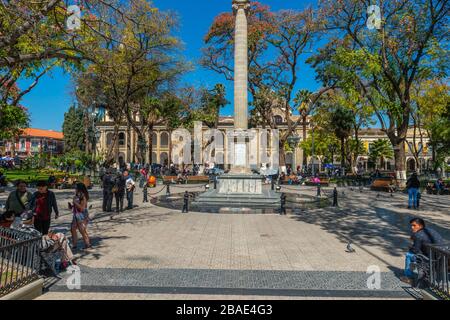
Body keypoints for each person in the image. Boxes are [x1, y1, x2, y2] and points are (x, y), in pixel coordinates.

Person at [400, 218, 444, 285]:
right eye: (411, 225)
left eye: (414, 225)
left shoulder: (418, 235)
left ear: (420, 226)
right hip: (441, 256)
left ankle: (409, 277)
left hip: (430, 258)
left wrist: (410, 246)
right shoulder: (430, 230)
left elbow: (415, 250)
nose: (412, 227)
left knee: (408, 255)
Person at [69, 183, 91, 250]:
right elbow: (76, 206)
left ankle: (87, 244)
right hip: (76, 215)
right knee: (72, 229)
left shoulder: (83, 197)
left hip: (82, 215)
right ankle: (74, 245)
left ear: (79, 189)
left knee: (82, 230)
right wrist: (71, 206)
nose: (75, 189)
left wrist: (75, 202)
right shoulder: (77, 196)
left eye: (76, 188)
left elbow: (82, 208)